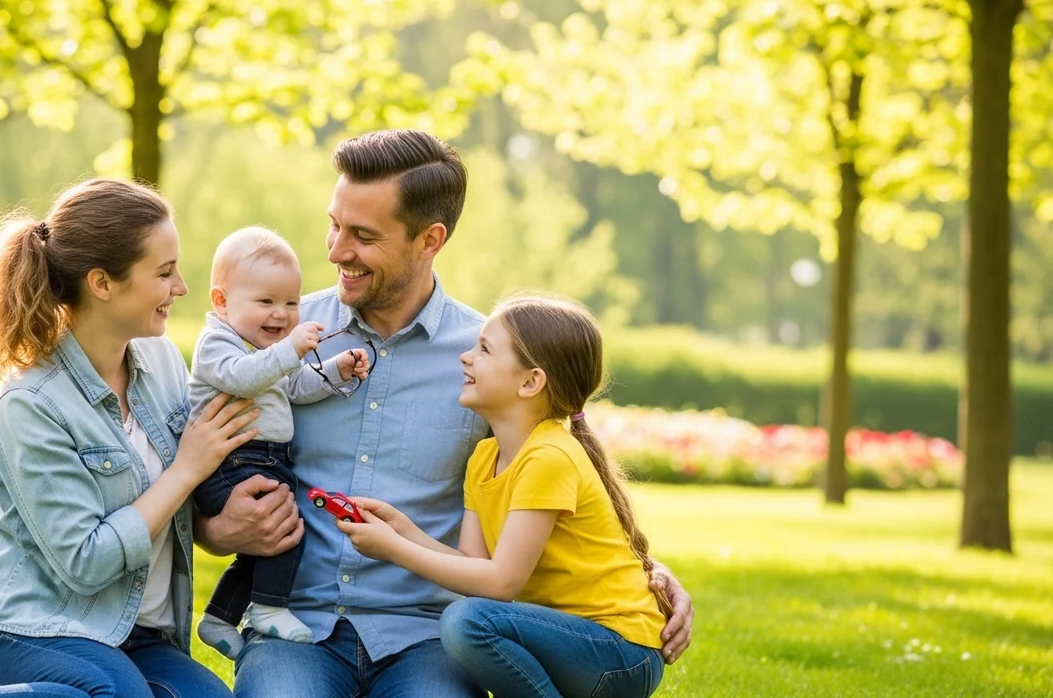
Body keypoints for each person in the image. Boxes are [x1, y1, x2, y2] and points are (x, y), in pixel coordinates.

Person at [193, 130, 694, 698]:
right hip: (296, 627)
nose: (334, 250)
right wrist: (215, 528)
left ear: (429, 239)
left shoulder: (490, 360)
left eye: (362, 235)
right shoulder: (274, 338)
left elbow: (573, 471)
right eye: (334, 224)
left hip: (428, 637)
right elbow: (202, 466)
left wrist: (649, 572)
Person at [0, 179, 253, 698]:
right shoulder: (31, 403)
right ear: (102, 283)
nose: (181, 286)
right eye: (164, 272)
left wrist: (224, 526)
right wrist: (188, 467)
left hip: (136, 633)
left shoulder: (162, 362)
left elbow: (172, 511)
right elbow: (86, 561)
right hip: (34, 628)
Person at [340, 296, 671, 698]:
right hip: (565, 641)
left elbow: (501, 585)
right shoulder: (484, 456)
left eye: (483, 349)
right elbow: (474, 569)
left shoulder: (549, 456)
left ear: (530, 381)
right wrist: (404, 531)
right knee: (466, 618)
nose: (465, 358)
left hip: (619, 651)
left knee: (465, 624)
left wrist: (394, 549)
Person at [188, 226, 371, 659]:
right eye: (266, 302)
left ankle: (218, 617)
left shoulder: (267, 349)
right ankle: (269, 608)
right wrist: (290, 348)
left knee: (262, 545)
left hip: (264, 461)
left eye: (291, 303)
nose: (281, 314)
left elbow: (297, 387)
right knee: (287, 530)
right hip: (231, 462)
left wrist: (337, 369)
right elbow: (243, 378)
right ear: (221, 301)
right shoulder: (218, 343)